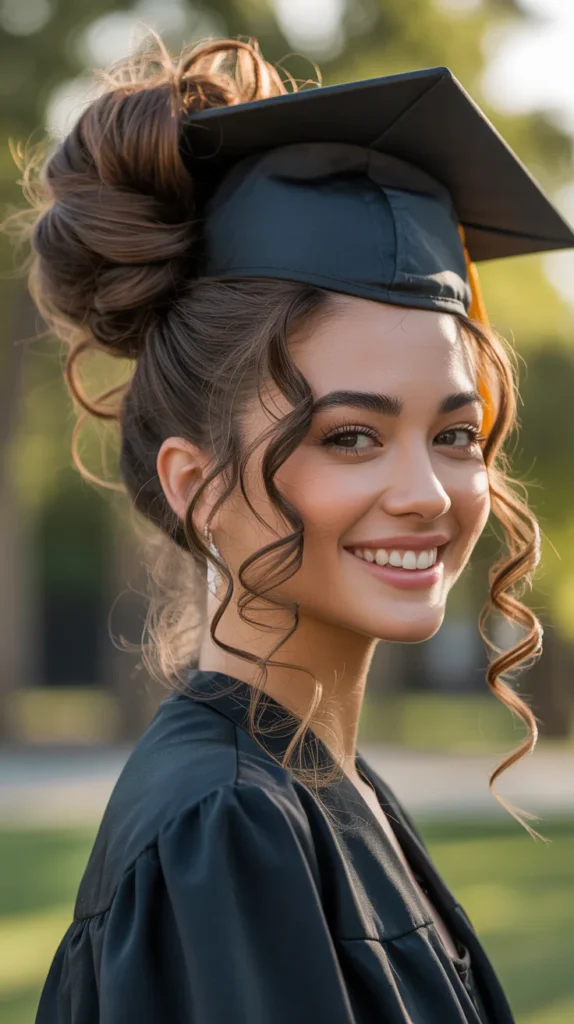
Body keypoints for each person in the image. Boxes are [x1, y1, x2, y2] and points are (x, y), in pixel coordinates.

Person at [11, 32, 573, 1024]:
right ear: (192, 484)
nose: (427, 491)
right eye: (350, 435)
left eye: (453, 431)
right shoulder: (225, 827)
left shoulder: (314, 786)